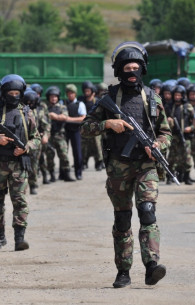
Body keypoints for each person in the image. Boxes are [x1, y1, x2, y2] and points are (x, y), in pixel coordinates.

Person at [81, 41, 171, 288]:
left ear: (142, 69)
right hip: (119, 166)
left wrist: (158, 146)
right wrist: (107, 124)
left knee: (147, 213)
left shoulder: (153, 98)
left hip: (146, 166)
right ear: (119, 71)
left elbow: (166, 132)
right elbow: (85, 128)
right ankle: (123, 271)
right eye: (127, 68)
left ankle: (152, 265)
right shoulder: (108, 99)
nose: (132, 73)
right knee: (122, 220)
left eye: (136, 68)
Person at [0, 74, 41, 251]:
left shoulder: (27, 112)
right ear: (4, 92)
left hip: (19, 165)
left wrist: (26, 147)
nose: (13, 95)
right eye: (10, 92)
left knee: (20, 202)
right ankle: (0, 237)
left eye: (16, 92)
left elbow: (37, 139)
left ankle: (20, 238)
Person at [23, 89, 50, 194]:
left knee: (34, 164)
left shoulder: (39, 111)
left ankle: (33, 184)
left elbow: (45, 124)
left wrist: (45, 135)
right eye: (28, 102)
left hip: (34, 141)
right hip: (22, 141)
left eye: (32, 102)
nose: (30, 104)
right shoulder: (20, 111)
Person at [45, 86, 75, 182]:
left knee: (64, 156)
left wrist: (56, 116)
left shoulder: (62, 107)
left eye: (55, 96)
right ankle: (52, 175)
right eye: (51, 97)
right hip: (49, 136)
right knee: (49, 157)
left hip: (60, 135)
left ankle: (67, 174)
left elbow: (65, 117)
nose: (53, 98)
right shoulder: (45, 108)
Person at [167, 84, 195, 184]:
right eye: (176, 95)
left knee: (187, 157)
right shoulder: (170, 107)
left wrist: (190, 128)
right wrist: (169, 121)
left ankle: (186, 177)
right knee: (172, 157)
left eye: (179, 95)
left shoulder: (188, 107)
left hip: (185, 136)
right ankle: (170, 176)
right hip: (174, 136)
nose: (177, 97)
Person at [79, 81, 105, 171]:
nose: (86, 92)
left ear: (92, 91)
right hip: (84, 126)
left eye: (88, 91)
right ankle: (84, 162)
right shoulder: (81, 101)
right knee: (83, 147)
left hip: (95, 126)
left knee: (97, 146)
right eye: (85, 91)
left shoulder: (97, 101)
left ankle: (99, 162)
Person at [30, 84, 52, 185]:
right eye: (35, 93)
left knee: (41, 158)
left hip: (39, 136)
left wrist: (46, 135)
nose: (37, 96)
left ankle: (44, 175)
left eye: (38, 94)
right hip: (27, 136)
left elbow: (46, 122)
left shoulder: (42, 106)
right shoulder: (25, 105)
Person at [63, 84, 86, 180]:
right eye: (68, 93)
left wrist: (69, 119)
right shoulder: (63, 103)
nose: (70, 95)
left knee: (77, 153)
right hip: (65, 131)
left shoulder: (80, 104)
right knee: (63, 152)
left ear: (75, 94)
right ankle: (63, 173)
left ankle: (78, 172)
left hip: (76, 130)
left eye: (72, 93)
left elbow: (83, 118)